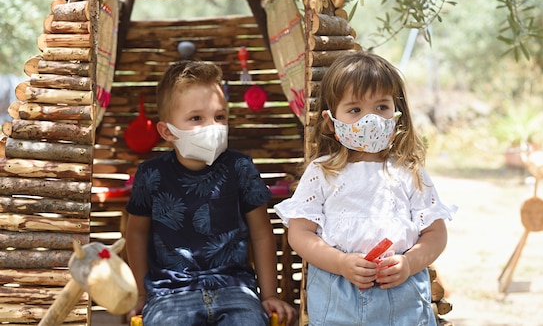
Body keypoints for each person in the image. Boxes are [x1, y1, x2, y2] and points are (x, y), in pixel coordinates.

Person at [275, 51, 456, 326]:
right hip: (337, 293)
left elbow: (435, 233)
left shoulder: (409, 171)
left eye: (381, 107)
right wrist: (340, 263)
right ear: (331, 120)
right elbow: (300, 234)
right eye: (355, 110)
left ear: (397, 114)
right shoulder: (322, 172)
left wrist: (409, 264)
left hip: (401, 295)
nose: (370, 120)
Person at [125, 60, 297, 326]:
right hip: (169, 295)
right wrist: (140, 293)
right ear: (167, 131)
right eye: (196, 118)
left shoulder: (240, 167)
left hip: (236, 291)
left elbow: (262, 233)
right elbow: (136, 233)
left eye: (220, 117)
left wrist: (269, 294)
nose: (213, 126)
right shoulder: (150, 175)